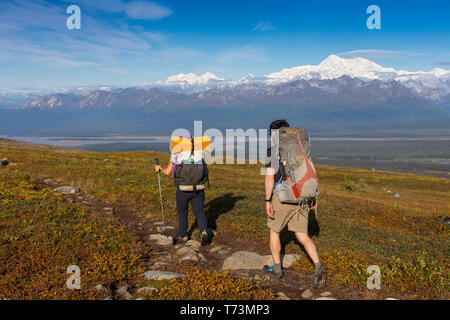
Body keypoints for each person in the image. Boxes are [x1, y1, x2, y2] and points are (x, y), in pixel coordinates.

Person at [263, 119, 327, 289]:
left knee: (274, 232)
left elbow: (269, 178)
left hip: (283, 197)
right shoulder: (300, 148)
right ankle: (318, 266)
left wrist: (267, 200)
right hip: (302, 197)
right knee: (302, 235)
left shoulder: (272, 151)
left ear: (273, 134)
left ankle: (277, 268)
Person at [155, 130, 210, 246]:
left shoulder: (177, 152)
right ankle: (204, 232)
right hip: (199, 188)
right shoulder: (200, 152)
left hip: (183, 189)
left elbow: (168, 171)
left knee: (182, 212)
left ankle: (183, 235)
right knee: (199, 211)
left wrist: (159, 169)